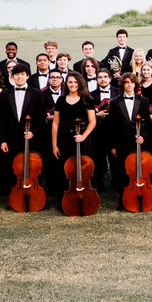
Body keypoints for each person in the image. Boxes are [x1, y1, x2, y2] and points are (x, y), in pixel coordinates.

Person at [51, 71, 97, 204]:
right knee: (65, 169)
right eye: (70, 82)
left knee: (83, 169)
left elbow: (92, 121)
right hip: (64, 139)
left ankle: (85, 196)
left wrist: (83, 136)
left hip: (82, 139)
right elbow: (55, 123)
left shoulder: (87, 99)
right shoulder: (60, 100)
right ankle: (66, 199)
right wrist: (54, 145)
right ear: (66, 83)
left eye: (76, 82)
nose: (73, 84)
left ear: (80, 83)